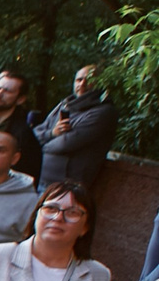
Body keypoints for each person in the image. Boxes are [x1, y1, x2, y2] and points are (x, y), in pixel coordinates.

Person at [38, 64, 115, 199]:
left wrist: (37, 147)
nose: (83, 84)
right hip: (40, 179)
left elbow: (64, 144)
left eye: (89, 80)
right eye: (79, 80)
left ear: (100, 83)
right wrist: (52, 133)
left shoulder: (103, 112)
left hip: (67, 188)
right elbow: (35, 133)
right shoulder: (64, 105)